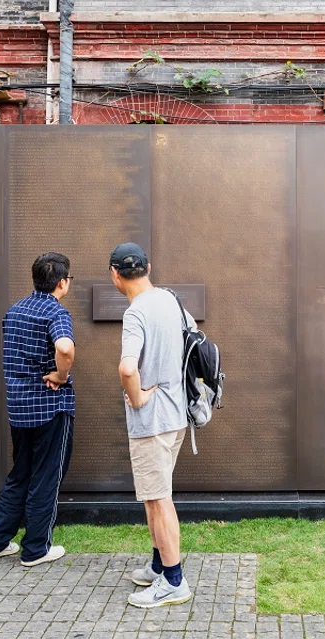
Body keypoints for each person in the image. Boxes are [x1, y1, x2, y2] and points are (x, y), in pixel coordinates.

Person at [110, 242, 198, 608]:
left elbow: (127, 367)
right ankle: (159, 565)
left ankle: (174, 581)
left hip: (152, 422)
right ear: (148, 268)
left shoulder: (136, 313)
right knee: (154, 496)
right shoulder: (171, 300)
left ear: (114, 274)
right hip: (177, 416)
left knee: (160, 501)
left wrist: (136, 398)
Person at [0, 252, 75, 567]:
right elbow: (65, 347)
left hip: (20, 408)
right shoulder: (56, 312)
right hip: (50, 406)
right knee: (46, 477)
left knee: (20, 474)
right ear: (62, 283)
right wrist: (61, 376)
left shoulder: (14, 311)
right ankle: (35, 549)